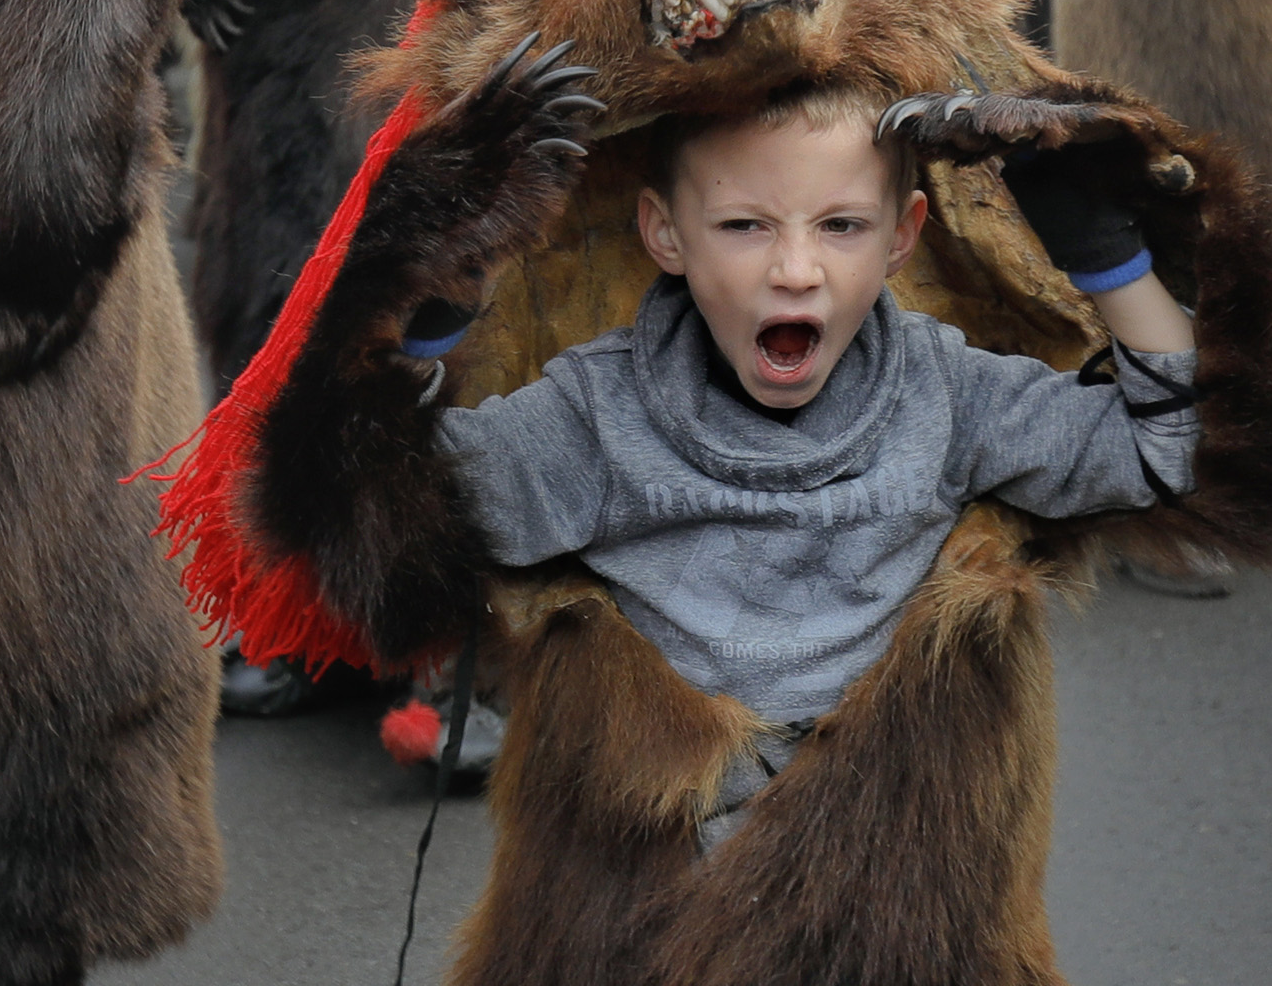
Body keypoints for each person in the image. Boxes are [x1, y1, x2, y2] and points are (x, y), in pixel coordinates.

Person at [394, 83, 1199, 822]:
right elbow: (398, 504)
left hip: (885, 872)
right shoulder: (598, 418)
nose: (796, 272)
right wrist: (441, 282)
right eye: (744, 225)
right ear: (665, 233)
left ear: (902, 236)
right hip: (659, 884)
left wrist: (1102, 251)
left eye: (842, 225)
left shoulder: (944, 393)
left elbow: (1163, 451)